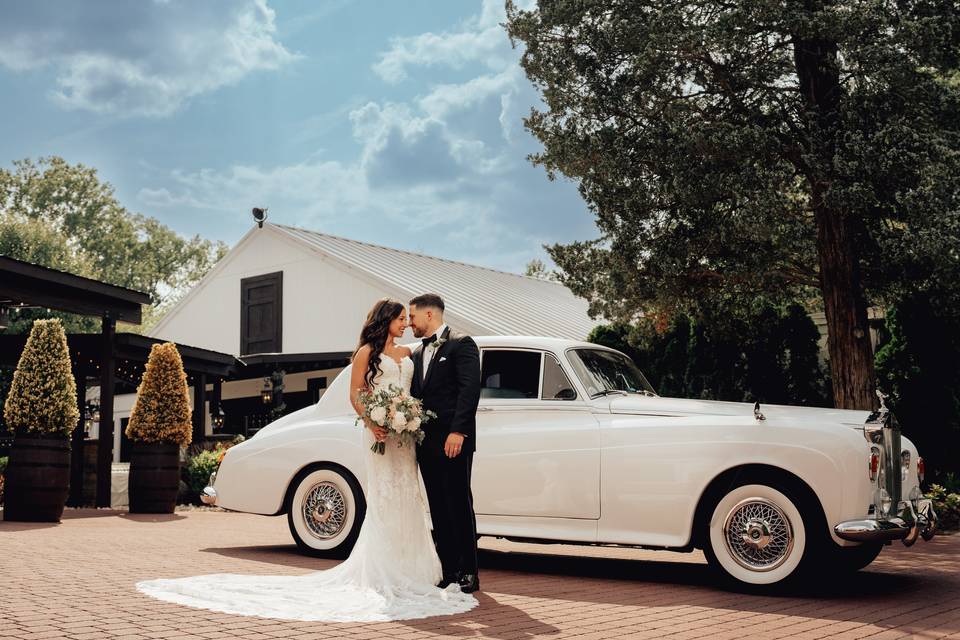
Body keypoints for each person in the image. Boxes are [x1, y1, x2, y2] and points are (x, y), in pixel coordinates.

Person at [134, 298, 477, 622]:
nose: (406, 323)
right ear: (387, 320)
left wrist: (406, 418)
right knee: (386, 500)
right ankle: (387, 568)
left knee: (412, 500)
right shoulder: (367, 353)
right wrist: (374, 421)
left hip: (407, 440)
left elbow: (424, 393)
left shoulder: (412, 353)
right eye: (402, 318)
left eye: (409, 318)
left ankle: (423, 570)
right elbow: (357, 393)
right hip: (380, 434)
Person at [407, 293, 482, 593]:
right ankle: (449, 570)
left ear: (429, 315)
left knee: (458, 504)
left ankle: (469, 573)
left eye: (412, 316)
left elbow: (469, 390)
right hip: (425, 443)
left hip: (454, 441)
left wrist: (459, 432)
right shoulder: (415, 354)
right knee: (438, 507)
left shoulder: (461, 343)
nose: (409, 322)